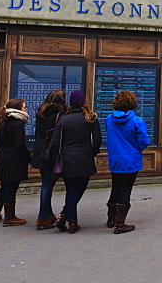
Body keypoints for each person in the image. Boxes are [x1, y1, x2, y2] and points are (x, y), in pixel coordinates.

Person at [50, 89, 101, 234]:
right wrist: (92, 152)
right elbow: (97, 140)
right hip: (85, 157)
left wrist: (57, 157)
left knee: (71, 190)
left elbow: (55, 142)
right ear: (83, 102)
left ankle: (67, 218)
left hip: (67, 158)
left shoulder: (64, 119)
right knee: (80, 188)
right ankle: (70, 220)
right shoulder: (90, 118)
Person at [105, 89, 150, 234]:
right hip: (131, 160)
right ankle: (120, 223)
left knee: (115, 187)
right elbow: (143, 141)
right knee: (126, 189)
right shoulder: (137, 121)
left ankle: (111, 218)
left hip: (115, 160)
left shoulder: (109, 120)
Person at [0, 97, 31, 226]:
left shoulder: (3, 121)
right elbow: (19, 144)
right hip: (14, 160)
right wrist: (28, 157)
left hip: (3, 157)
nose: (26, 109)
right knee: (11, 187)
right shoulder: (18, 123)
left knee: (5, 186)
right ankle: (9, 218)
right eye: (24, 107)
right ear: (18, 109)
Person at [31, 88, 66, 229]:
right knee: (47, 184)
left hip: (40, 152)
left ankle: (48, 213)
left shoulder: (41, 112)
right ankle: (42, 217)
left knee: (46, 182)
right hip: (51, 153)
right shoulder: (59, 114)